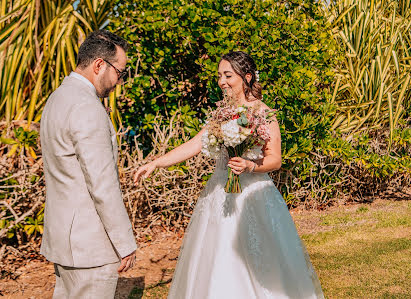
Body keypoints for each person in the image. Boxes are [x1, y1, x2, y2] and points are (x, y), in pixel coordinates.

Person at [134, 51, 324, 298]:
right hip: (219, 192)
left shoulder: (265, 113)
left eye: (228, 75)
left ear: (246, 77)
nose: (222, 81)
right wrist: (158, 163)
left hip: (253, 196)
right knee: (217, 257)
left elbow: (275, 159)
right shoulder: (222, 112)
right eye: (219, 76)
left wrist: (250, 166)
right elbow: (196, 143)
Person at [40, 30, 137, 298]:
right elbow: (102, 185)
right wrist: (124, 242)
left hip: (64, 238)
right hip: (89, 244)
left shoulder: (57, 98)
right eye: (120, 72)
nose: (120, 81)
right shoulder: (87, 107)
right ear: (99, 66)